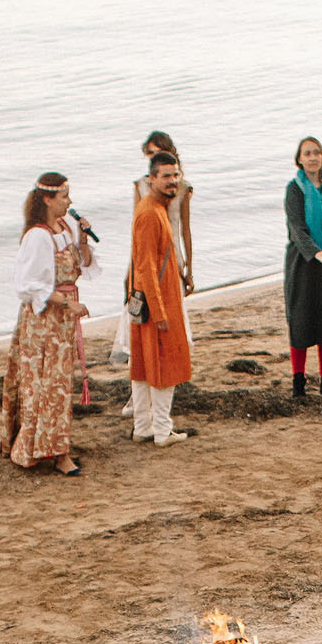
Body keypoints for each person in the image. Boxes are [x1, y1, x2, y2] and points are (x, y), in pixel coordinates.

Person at [2, 173, 97, 476]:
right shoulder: (38, 236)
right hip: (44, 321)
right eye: (64, 197)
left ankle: (53, 447)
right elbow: (29, 285)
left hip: (61, 322)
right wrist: (69, 304)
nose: (69, 202)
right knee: (45, 384)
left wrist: (83, 238)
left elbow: (82, 267)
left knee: (57, 384)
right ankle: (54, 452)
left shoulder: (65, 228)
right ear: (47, 199)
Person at [128, 151, 194, 448]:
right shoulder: (149, 212)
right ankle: (162, 430)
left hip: (152, 301)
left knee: (144, 364)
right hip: (157, 303)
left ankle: (143, 426)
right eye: (166, 176)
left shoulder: (156, 207)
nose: (172, 181)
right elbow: (144, 266)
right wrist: (159, 310)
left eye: (176, 175)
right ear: (151, 178)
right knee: (163, 364)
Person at [283, 138, 322, 401]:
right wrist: (319, 255)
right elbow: (297, 230)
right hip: (303, 262)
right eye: (307, 153)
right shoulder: (294, 189)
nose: (312, 157)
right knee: (300, 319)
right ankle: (298, 380)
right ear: (299, 159)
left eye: (316, 152)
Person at [133, 131, 194, 294]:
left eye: (158, 153)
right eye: (150, 153)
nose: (154, 157)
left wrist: (190, 271)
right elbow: (136, 229)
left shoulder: (182, 188)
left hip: (174, 252)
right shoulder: (141, 185)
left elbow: (185, 230)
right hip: (149, 253)